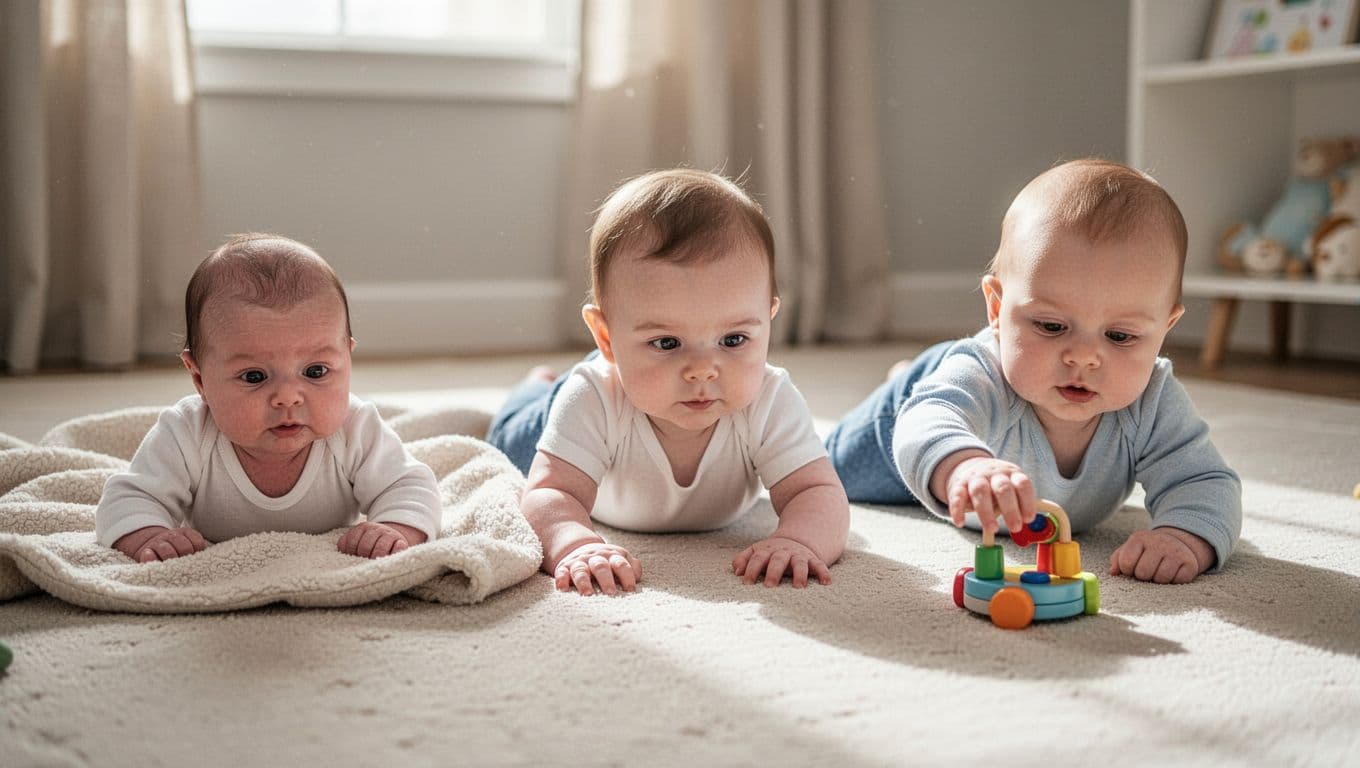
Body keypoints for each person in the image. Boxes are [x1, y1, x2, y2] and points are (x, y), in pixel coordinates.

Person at [825, 158, 1241, 584]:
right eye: (1052, 326)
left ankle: (915, 371)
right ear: (997, 309)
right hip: (904, 422)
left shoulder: (1153, 400)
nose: (1083, 357)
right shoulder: (984, 374)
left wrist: (1183, 537)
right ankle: (909, 379)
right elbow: (924, 424)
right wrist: (964, 466)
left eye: (1119, 336)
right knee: (827, 472)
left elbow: (1205, 480)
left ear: (1164, 330)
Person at [488, 169, 849, 595]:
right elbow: (549, 494)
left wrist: (799, 540)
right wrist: (575, 544)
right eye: (667, 342)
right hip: (583, 405)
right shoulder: (592, 398)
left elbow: (818, 492)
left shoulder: (770, 398)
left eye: (733, 339)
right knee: (506, 443)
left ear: (768, 322)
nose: (702, 369)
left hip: (632, 377)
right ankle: (537, 386)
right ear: (607, 337)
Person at [95, 234, 441, 562]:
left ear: (347, 359)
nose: (288, 398)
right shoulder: (187, 433)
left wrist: (395, 529)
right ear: (199, 378)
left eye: (316, 371)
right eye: (255, 377)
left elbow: (411, 487)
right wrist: (150, 536)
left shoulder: (355, 429)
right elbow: (127, 500)